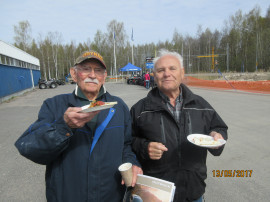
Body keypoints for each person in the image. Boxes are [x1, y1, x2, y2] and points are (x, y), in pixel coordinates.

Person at [15, 50, 143, 202]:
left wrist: (133, 163)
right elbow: (29, 148)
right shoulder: (54, 105)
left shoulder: (119, 106)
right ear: (74, 74)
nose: (93, 75)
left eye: (98, 70)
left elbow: (126, 146)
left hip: (109, 196)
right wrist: (64, 127)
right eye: (86, 69)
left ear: (104, 76)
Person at [130, 49, 228, 202]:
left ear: (182, 73)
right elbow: (127, 142)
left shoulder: (201, 105)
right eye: (161, 70)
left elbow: (220, 127)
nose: (167, 74)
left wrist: (217, 136)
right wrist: (144, 147)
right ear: (154, 76)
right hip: (156, 194)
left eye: (172, 68)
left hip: (194, 192)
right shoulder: (140, 110)